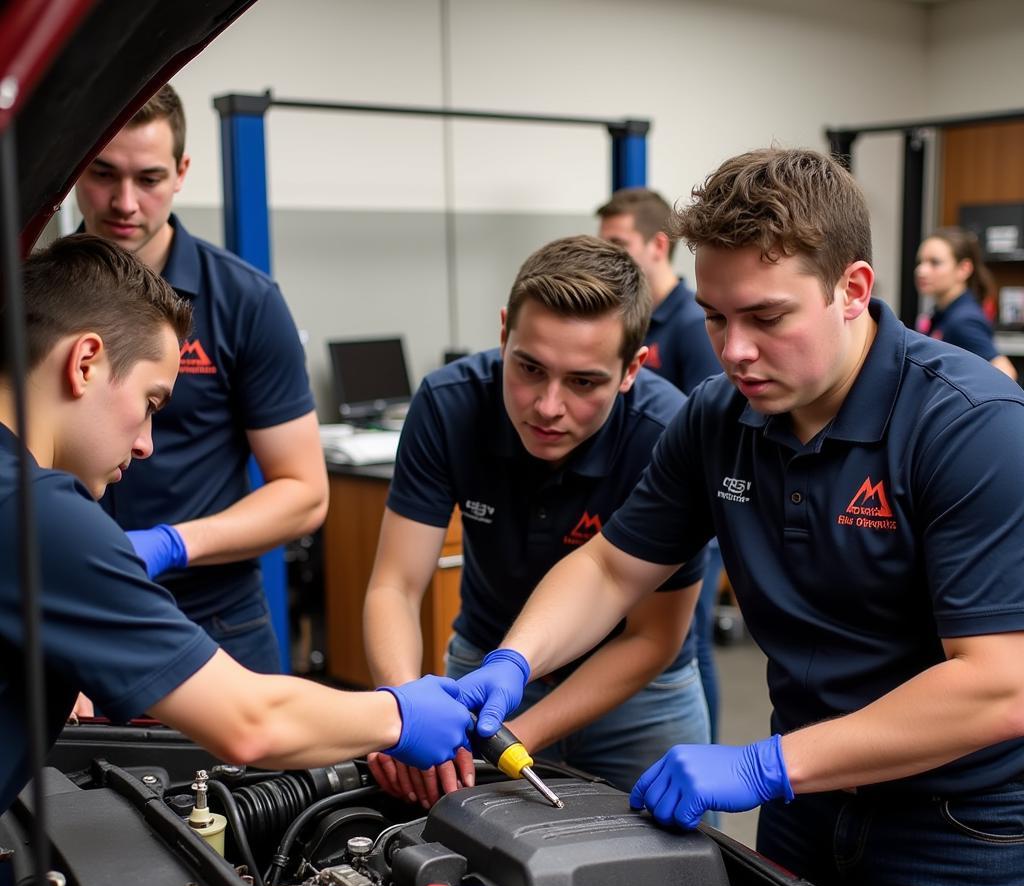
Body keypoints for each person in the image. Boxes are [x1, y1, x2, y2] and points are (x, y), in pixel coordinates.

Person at [437, 149, 1024, 886]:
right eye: (714, 317)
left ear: (853, 288)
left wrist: (764, 762)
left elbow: (997, 685)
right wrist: (514, 662)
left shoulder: (970, 429)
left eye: (766, 316)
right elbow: (609, 566)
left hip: (956, 833)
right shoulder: (720, 418)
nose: (736, 351)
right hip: (805, 804)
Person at [0, 234, 475, 817]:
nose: (147, 443)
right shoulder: (41, 512)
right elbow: (250, 723)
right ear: (85, 361)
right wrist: (400, 714)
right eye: (151, 402)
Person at [362, 235, 708, 807]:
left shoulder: (668, 433)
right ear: (503, 333)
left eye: (584, 382)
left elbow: (653, 638)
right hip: (484, 668)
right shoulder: (449, 405)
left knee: (669, 879)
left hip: (637, 696)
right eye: (529, 368)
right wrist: (405, 709)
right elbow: (395, 584)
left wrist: (513, 739)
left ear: (631, 369)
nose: (548, 406)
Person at [74, 83, 327, 676]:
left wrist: (174, 543)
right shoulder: (36, 296)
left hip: (211, 620)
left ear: (183, 171)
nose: (125, 202)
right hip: (71, 608)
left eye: (150, 178)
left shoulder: (246, 301)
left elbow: (305, 493)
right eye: (104, 173)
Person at [597, 187, 724, 741]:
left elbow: (708, 428)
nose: (607, 257)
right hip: (640, 509)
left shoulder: (695, 323)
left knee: (685, 647)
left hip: (693, 511)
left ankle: (702, 744)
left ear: (657, 244)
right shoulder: (626, 316)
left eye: (618, 243)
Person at [916, 225, 1018, 380]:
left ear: (964, 269)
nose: (921, 271)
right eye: (920, 262)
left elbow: (1006, 373)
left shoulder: (963, 321)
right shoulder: (941, 314)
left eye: (934, 262)